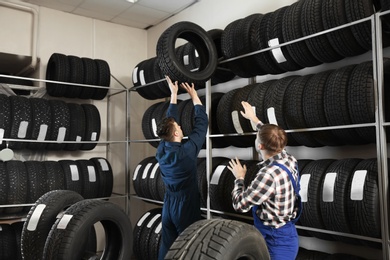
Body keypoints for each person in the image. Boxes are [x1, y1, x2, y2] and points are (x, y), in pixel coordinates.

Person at [227, 101, 301, 260]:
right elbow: (273, 137)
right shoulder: (289, 159)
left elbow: (240, 205)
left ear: (259, 146)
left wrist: (239, 178)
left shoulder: (268, 175)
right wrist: (254, 119)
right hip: (288, 234)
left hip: (274, 243)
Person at [155, 76, 208, 260]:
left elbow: (170, 123)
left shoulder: (161, 150)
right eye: (178, 125)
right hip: (185, 205)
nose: (179, 124)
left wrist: (174, 95)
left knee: (167, 247)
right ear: (177, 132)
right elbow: (202, 125)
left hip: (168, 204)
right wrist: (194, 96)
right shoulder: (185, 153)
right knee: (189, 247)